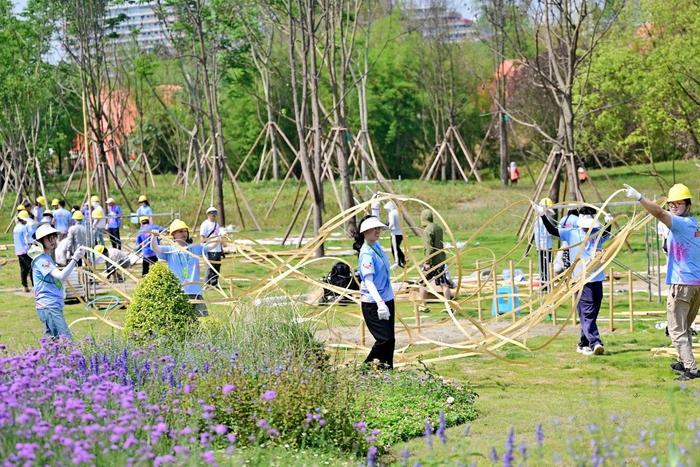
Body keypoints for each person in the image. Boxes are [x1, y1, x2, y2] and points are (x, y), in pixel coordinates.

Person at [625, 183, 700, 380]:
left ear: (687, 204)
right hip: (695, 284)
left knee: (676, 329)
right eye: (671, 204)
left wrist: (639, 197)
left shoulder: (680, 223)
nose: (673, 206)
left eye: (678, 203)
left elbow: (658, 213)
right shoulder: (695, 224)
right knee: (683, 328)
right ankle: (685, 362)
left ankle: (691, 369)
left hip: (682, 283)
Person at [537, 205, 613, 356]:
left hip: (597, 278)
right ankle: (595, 342)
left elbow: (607, 234)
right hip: (580, 279)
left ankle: (583, 343)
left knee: (591, 313)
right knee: (587, 312)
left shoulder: (597, 232)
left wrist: (609, 223)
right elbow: (553, 231)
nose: (587, 230)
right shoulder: (571, 233)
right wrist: (543, 216)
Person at [353, 215, 395, 369]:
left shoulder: (375, 246)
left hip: (386, 299)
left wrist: (376, 205)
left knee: (391, 340)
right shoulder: (366, 254)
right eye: (374, 229)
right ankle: (365, 370)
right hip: (373, 303)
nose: (377, 231)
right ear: (365, 232)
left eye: (378, 228)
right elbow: (368, 281)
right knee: (385, 339)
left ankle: (387, 371)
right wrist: (379, 303)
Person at [31, 223, 86, 340]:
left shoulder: (46, 257)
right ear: (41, 241)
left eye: (54, 237)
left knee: (52, 343)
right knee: (66, 342)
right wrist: (75, 259)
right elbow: (61, 276)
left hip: (52, 305)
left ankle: (42, 358)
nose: (53, 240)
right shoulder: (41, 260)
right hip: (49, 306)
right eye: (49, 238)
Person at [150, 219, 209, 316]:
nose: (184, 233)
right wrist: (153, 237)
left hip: (195, 291)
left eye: (185, 231)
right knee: (181, 318)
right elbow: (155, 248)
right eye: (180, 231)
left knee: (197, 319)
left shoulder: (195, 248)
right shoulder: (169, 250)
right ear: (173, 234)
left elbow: (209, 247)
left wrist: (220, 237)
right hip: (178, 292)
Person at [418, 209, 452, 313]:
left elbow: (429, 248)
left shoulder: (427, 230)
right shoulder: (438, 228)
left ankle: (423, 305)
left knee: (422, 282)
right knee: (443, 283)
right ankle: (448, 306)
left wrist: (427, 262)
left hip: (432, 262)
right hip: (441, 259)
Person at [534, 197, 555, 292]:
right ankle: (545, 286)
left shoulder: (539, 219)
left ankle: (545, 285)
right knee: (545, 267)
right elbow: (548, 232)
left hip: (542, 246)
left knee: (544, 266)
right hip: (545, 246)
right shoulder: (542, 219)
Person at [199, 207, 224, 286]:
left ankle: (214, 284)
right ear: (208, 214)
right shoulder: (205, 224)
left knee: (217, 267)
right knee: (210, 268)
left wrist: (221, 249)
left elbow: (219, 237)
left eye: (215, 213)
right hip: (210, 249)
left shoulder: (217, 224)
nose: (214, 215)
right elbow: (202, 238)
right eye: (212, 213)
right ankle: (207, 284)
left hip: (217, 249)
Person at [13, 210, 32, 292]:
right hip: (25, 251)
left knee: (23, 269)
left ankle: (25, 286)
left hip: (18, 251)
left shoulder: (15, 227)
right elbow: (27, 240)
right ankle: (35, 286)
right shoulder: (24, 228)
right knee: (32, 267)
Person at [384, 201, 405, 268]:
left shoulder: (391, 213)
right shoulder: (398, 212)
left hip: (395, 233)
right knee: (397, 248)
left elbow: (392, 223)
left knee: (395, 249)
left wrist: (387, 228)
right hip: (400, 233)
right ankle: (403, 259)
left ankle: (397, 263)